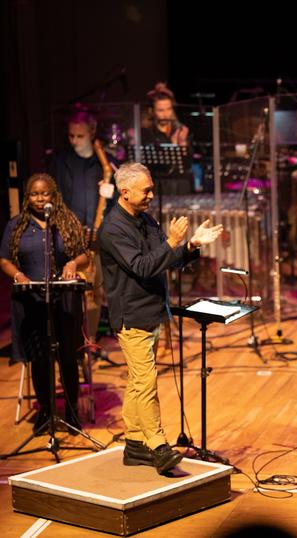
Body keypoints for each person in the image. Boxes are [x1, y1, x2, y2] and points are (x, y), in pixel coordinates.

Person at [98, 162, 223, 474]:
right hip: (132, 316)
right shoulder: (113, 229)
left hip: (152, 311)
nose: (152, 195)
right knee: (146, 382)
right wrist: (171, 242)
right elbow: (141, 266)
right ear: (124, 193)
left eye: (151, 188)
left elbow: (162, 260)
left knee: (138, 382)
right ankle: (157, 445)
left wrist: (191, 246)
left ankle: (135, 443)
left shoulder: (144, 220)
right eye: (146, 190)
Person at [0, 173, 90, 434]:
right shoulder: (16, 225)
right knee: (39, 357)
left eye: (45, 193)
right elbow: (4, 258)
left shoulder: (65, 221)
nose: (40, 199)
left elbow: (84, 254)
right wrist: (19, 275)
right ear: (28, 197)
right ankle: (46, 411)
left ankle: (71, 410)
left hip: (64, 300)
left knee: (67, 356)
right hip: (32, 300)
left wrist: (73, 263)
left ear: (54, 195)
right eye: (34, 194)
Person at [48, 107, 117, 340]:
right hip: (68, 235)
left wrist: (111, 192)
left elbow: (118, 202)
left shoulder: (105, 163)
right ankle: (68, 342)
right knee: (67, 292)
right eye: (71, 136)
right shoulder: (60, 161)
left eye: (80, 136)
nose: (75, 141)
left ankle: (89, 343)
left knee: (93, 292)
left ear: (92, 132)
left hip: (96, 237)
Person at [140, 82, 193, 195]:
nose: (166, 114)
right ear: (152, 111)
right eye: (161, 110)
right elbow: (151, 165)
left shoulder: (180, 130)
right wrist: (173, 147)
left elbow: (188, 165)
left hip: (180, 185)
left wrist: (183, 143)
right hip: (158, 185)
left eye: (168, 109)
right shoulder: (147, 132)